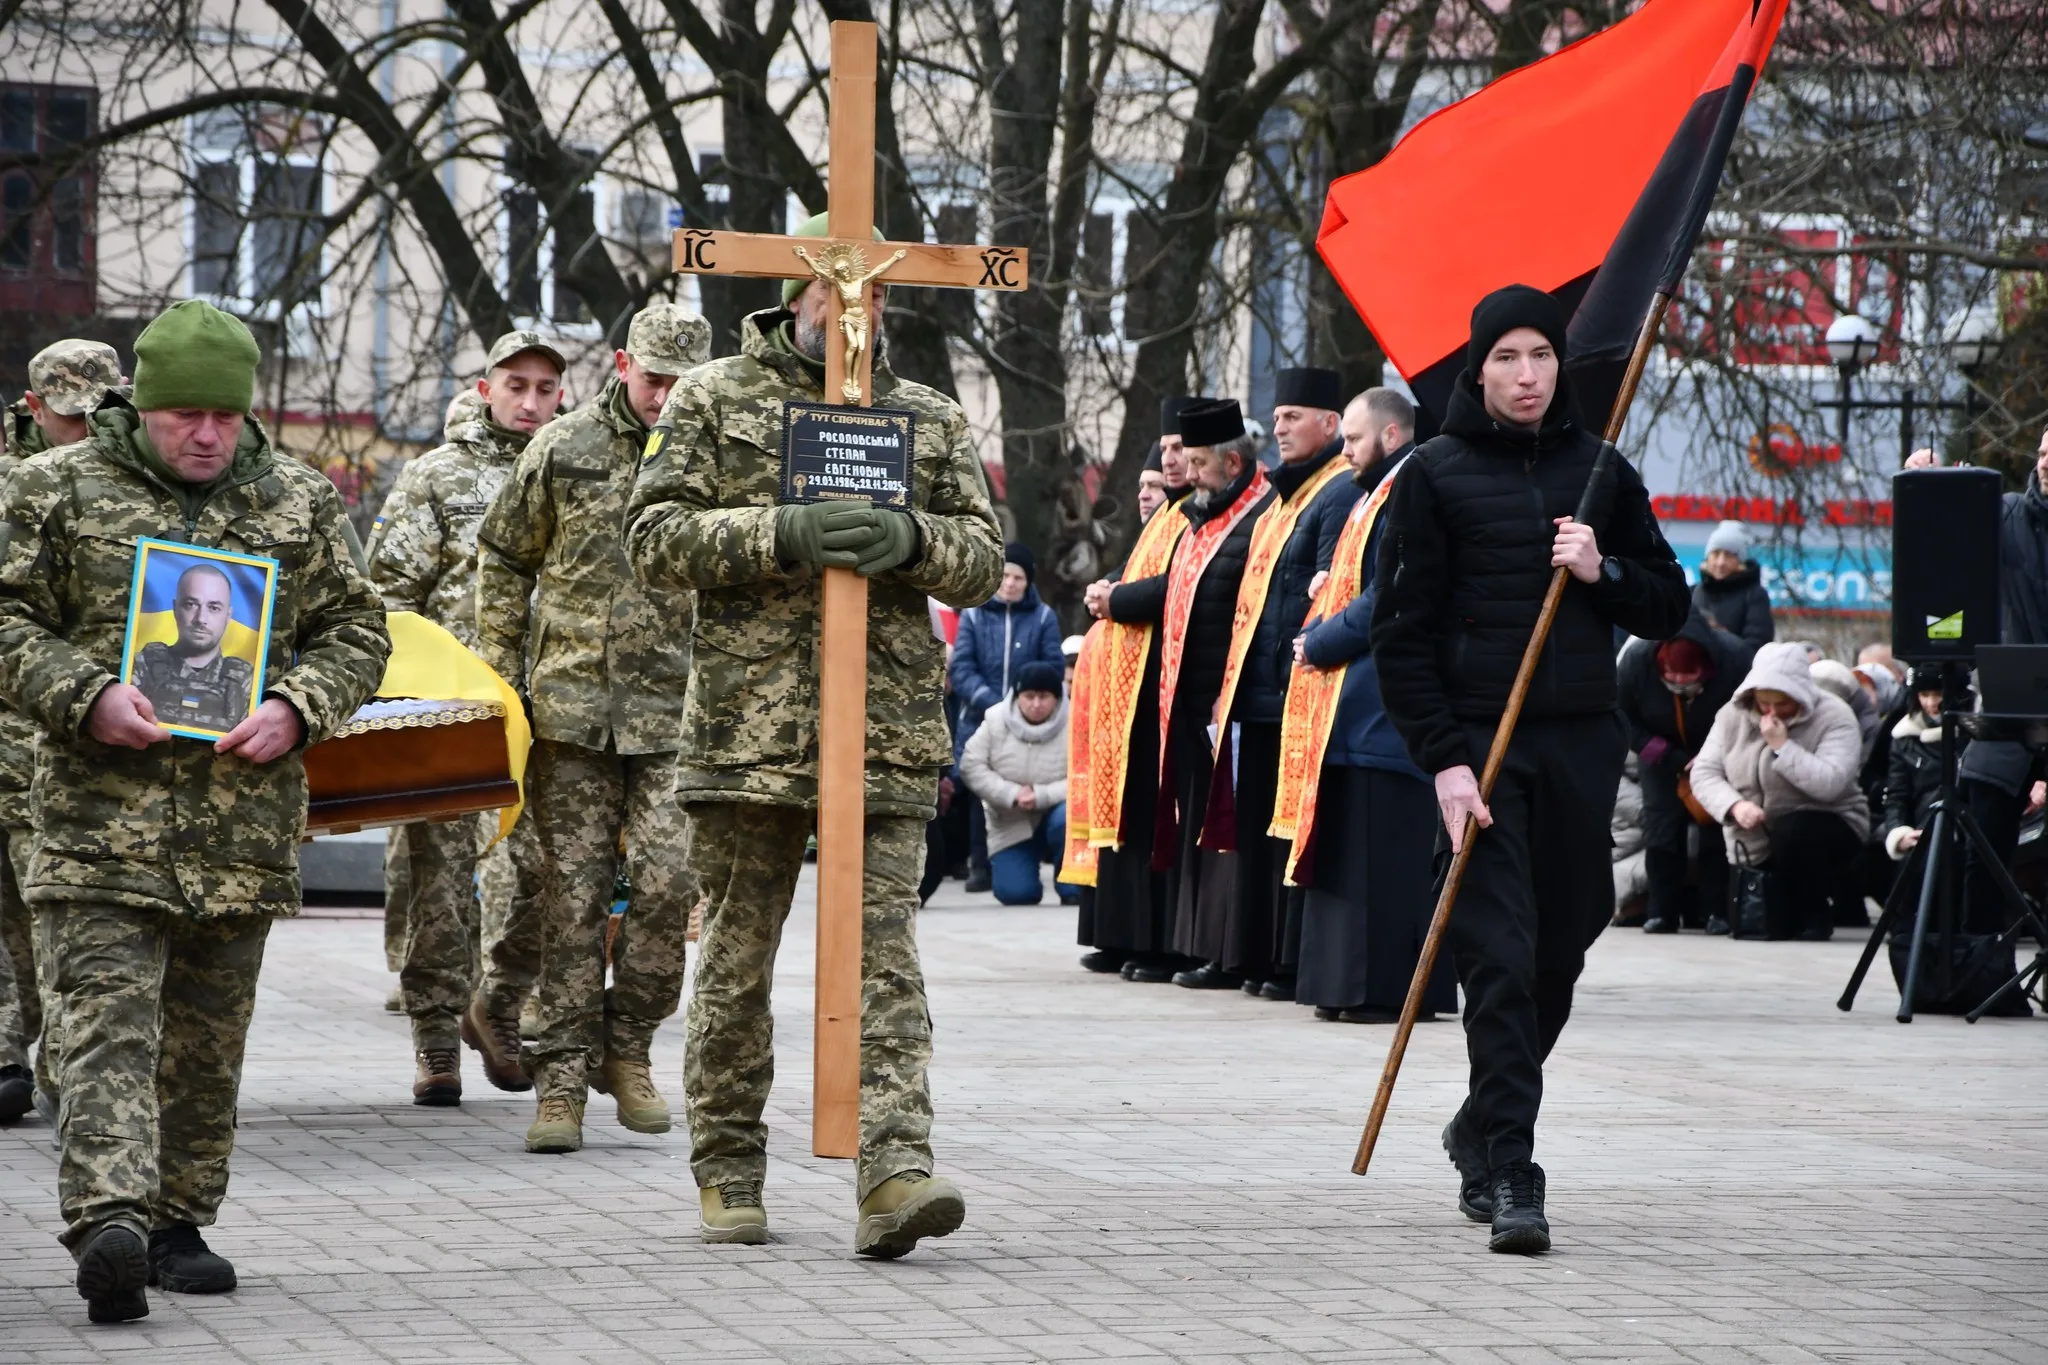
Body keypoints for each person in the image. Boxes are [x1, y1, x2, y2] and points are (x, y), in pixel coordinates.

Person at [0, 299, 389, 1322]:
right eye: (184, 417)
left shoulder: (298, 503)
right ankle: (110, 1223)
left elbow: (358, 629)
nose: (207, 435)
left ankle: (179, 1221)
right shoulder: (53, 489)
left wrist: (296, 708)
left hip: (238, 830)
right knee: (104, 1029)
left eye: (223, 416)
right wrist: (82, 693)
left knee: (206, 1043)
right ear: (144, 404)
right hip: (96, 824)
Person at [623, 210, 1002, 1257]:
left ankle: (893, 1170)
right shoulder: (712, 397)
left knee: (887, 962)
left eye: (874, 294)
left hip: (881, 730)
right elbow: (651, 537)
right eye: (835, 290)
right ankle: (730, 1169)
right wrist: (776, 530)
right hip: (750, 732)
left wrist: (912, 539)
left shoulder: (925, 414)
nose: (852, 311)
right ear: (794, 289)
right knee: (739, 961)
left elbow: (980, 555)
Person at [1371, 285, 1688, 1254]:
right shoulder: (1430, 475)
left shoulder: (1601, 473)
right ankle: (1510, 1164)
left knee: (1560, 944)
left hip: (1577, 745)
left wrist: (1604, 572)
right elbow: (1400, 634)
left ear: (1559, 367)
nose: (1525, 375)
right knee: (1497, 959)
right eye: (1506, 357)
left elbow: (1668, 604)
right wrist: (1443, 765)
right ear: (1477, 369)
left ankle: (1476, 1117)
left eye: (1539, 357)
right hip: (1481, 752)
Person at [477, 302, 709, 1155]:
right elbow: (504, 555)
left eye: (683, 384)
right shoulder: (564, 447)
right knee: (570, 900)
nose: (666, 398)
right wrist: (502, 674)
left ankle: (631, 1043)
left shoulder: (714, 455)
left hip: (676, 716)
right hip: (569, 714)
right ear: (622, 365)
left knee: (667, 885)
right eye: (654, 380)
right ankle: (563, 1078)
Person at [368, 329, 565, 1105]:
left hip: (549, 715)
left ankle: (501, 1009)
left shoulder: (574, 474)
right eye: (514, 384)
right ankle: (432, 1041)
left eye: (545, 388)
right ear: (485, 387)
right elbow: (387, 594)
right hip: (450, 718)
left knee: (548, 878)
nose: (529, 401)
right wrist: (404, 698)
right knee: (440, 888)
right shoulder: (435, 479)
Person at [1288, 386, 1453, 1023]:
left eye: (1352, 439)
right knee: (1357, 855)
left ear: (1390, 435)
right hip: (1359, 703)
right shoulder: (1375, 491)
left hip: (1385, 702)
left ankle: (1377, 989)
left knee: (1383, 861)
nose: (1344, 451)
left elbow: (1392, 593)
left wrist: (1321, 640)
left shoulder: (1410, 488)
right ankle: (1347, 986)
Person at [1197, 367, 1362, 1003]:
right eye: (1278, 416)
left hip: (1297, 690)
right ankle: (1256, 954)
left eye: (1293, 415)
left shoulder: (1337, 491)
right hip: (1258, 690)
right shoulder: (1282, 497)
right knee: (1258, 831)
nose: (1279, 426)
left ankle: (1284, 960)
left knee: (1285, 831)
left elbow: (1326, 590)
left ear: (1330, 423)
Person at [1100, 399, 1273, 990]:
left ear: (1231, 461)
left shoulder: (1257, 516)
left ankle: (1222, 955)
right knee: (1195, 824)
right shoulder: (1205, 517)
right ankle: (1195, 945)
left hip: (1229, 701)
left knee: (1223, 832)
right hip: (1191, 701)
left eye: (1197, 462)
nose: (1189, 474)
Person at [0, 341, 124, 1128]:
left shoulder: (121, 486)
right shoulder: (17, 487)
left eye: (103, 415)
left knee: (47, 907)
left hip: (56, 739)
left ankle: (41, 1056)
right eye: (73, 417)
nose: (88, 431)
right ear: (35, 408)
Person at [1910, 431, 2048, 934]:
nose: (2046, 464)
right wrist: (1932, 488)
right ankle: (1979, 963)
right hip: (2010, 707)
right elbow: (1948, 537)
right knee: (1984, 836)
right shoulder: (2008, 513)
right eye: (2041, 453)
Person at [1076, 423, 1196, 982]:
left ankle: (1152, 942)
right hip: (1131, 690)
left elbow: (1174, 587)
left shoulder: (1191, 515)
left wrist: (1114, 597)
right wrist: (1108, 589)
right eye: (1161, 457)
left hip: (1165, 691)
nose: (1167, 471)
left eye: (1176, 454)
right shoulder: (1166, 519)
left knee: (1153, 814)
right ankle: (1121, 935)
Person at [1689, 642, 1869, 940]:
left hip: (1824, 821)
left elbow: (1831, 783)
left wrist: (1782, 747)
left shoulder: (1835, 716)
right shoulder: (1731, 716)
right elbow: (1705, 772)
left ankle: (1815, 913)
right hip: (1753, 831)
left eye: (1782, 704)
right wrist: (1734, 807)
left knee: (1794, 833)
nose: (1772, 712)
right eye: (1764, 703)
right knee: (1752, 924)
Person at [1615, 609, 1754, 935]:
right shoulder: (1637, 660)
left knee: (1714, 831)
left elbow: (1748, 713)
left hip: (1718, 756)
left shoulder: (1734, 658)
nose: (1679, 685)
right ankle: (1661, 911)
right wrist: (1670, 757)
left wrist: (1711, 757)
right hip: (1660, 756)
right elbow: (1622, 718)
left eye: (1688, 679)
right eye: (1672, 679)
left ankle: (1715, 913)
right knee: (1661, 829)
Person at [949, 542, 1063, 893]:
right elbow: (963, 666)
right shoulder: (974, 613)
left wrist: (1025, 700)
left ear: (1028, 582)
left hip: (1033, 717)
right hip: (981, 716)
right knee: (978, 788)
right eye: (1004, 576)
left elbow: (1052, 665)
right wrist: (993, 704)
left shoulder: (1043, 617)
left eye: (1018, 577)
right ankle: (978, 864)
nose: (1010, 584)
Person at [960, 661, 1075, 905]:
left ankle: (1069, 880)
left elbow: (1088, 773)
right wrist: (1010, 794)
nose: (1036, 704)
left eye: (1044, 696)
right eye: (1029, 696)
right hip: (1011, 819)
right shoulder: (994, 720)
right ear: (1017, 695)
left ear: (1057, 697)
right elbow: (970, 765)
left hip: (1060, 816)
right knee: (1016, 894)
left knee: (1077, 891)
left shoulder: (1076, 721)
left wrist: (1041, 795)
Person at [129, 564, 255, 734]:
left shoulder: (246, 681)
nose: (201, 619)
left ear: (228, 615)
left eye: (214, 608)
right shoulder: (142, 665)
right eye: (191, 604)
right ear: (175, 609)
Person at [4, 338, 123, 458]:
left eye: (107, 410)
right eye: (78, 416)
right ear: (36, 409)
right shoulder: (11, 475)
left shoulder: (138, 460)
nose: (94, 427)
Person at [1692, 519, 1774, 648]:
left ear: (1740, 561)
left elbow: (1756, 647)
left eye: (1729, 555)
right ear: (1708, 557)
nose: (1721, 562)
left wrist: (1717, 634)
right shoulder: (1693, 592)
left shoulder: (1754, 596)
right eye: (1716, 554)